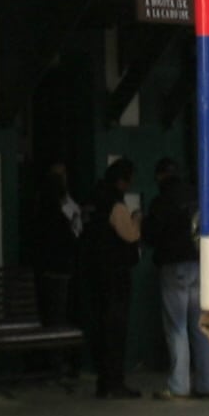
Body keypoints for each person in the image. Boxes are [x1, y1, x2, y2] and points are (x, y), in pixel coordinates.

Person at [147, 157, 209, 398]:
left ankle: (179, 385)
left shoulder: (161, 201)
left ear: (160, 176)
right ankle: (205, 383)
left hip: (173, 266)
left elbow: (151, 234)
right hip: (198, 263)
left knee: (176, 327)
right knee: (200, 327)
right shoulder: (196, 195)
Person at [80, 158, 144, 398]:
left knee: (100, 328)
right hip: (115, 275)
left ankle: (103, 381)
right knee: (115, 330)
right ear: (121, 181)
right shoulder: (115, 205)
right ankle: (114, 382)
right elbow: (129, 235)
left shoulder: (92, 200)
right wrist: (137, 219)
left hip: (93, 273)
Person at [26, 159, 81, 327]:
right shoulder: (58, 208)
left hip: (46, 266)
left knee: (50, 312)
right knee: (57, 312)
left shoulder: (41, 205)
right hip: (59, 266)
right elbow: (70, 234)